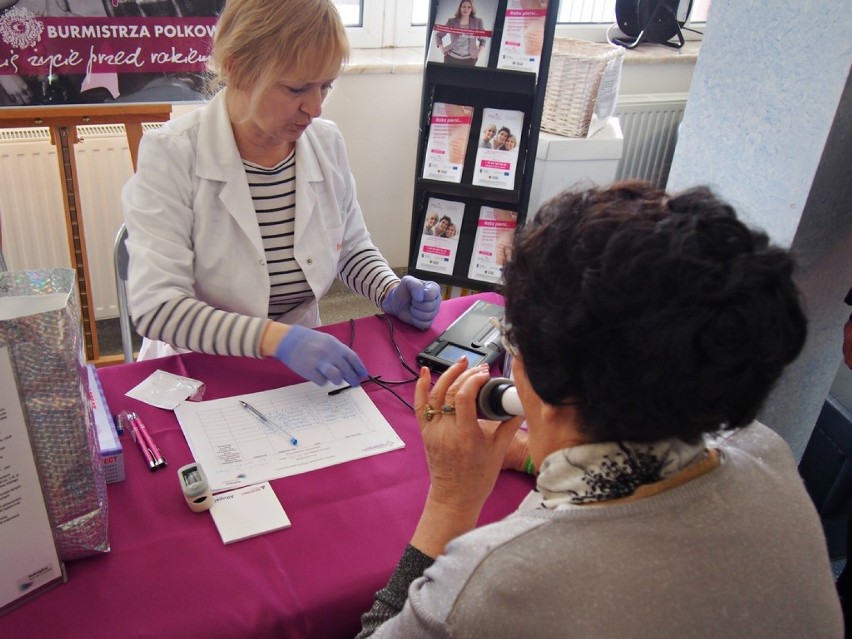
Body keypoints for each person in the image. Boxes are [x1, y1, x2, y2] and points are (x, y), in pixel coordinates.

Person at [357, 181, 843, 637]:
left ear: (554, 387)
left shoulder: (498, 577)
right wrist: (528, 452)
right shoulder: (766, 451)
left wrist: (451, 499)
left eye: (513, 340)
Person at [121, 0, 441, 388]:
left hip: (298, 371)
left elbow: (350, 248)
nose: (315, 107)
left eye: (326, 85)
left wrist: (388, 288)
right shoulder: (171, 155)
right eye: (296, 88)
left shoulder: (326, 143)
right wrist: (277, 340)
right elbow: (158, 308)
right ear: (238, 67)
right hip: (198, 371)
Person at [434, 0, 487, 67]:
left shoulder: (478, 22)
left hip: (470, 59)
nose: (466, 9)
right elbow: (438, 35)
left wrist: (478, 55)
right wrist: (442, 50)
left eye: (469, 7)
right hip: (451, 58)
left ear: (472, 9)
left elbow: (483, 39)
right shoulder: (451, 21)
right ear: (460, 8)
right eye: (463, 6)